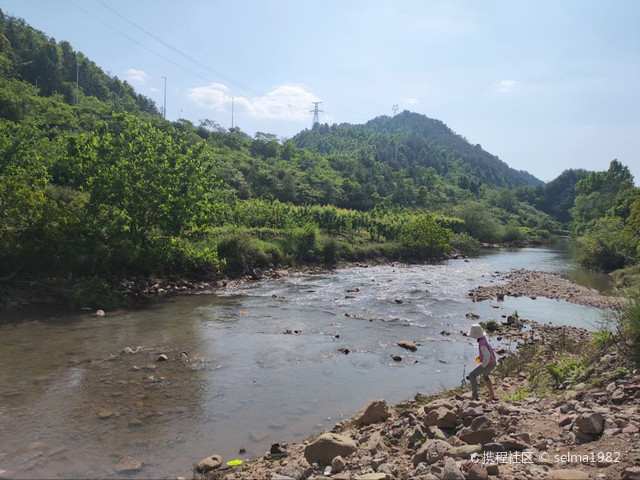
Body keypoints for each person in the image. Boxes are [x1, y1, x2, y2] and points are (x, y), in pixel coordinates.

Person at [466, 323, 497, 401]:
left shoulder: (481, 343)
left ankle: (475, 396)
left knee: (472, 375)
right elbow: (488, 353)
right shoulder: (484, 339)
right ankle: (492, 395)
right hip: (492, 362)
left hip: (488, 363)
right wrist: (480, 358)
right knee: (486, 376)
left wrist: (482, 366)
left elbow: (487, 356)